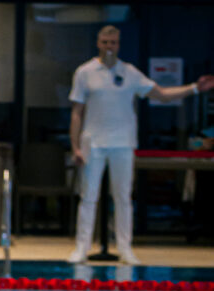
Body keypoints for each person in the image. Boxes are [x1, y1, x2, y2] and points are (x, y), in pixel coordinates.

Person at [68, 24, 214, 264]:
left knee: (123, 196)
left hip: (123, 143)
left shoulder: (130, 72)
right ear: (98, 43)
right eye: (105, 42)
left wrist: (195, 88)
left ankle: (125, 248)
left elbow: (162, 94)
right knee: (88, 196)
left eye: (113, 43)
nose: (109, 47)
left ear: (119, 44)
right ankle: (81, 248)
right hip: (92, 142)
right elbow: (77, 112)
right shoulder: (84, 72)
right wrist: (75, 146)